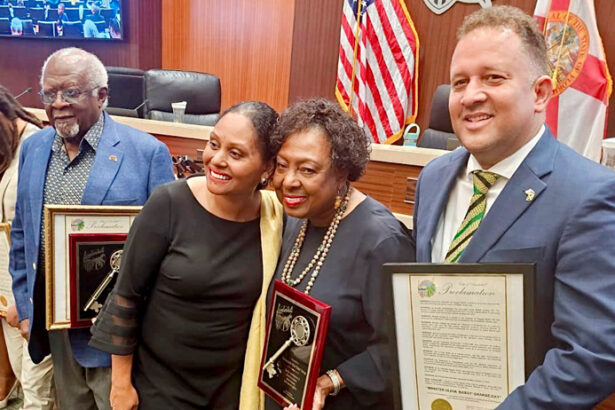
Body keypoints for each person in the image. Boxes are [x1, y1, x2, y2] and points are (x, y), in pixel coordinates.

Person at [413, 6, 615, 409]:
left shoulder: (590, 196)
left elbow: (590, 356)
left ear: (540, 93)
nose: (471, 96)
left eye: (493, 78)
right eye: (459, 82)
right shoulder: (432, 178)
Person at [9, 47, 174, 410]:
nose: (58, 104)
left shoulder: (148, 154)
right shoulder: (34, 148)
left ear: (102, 95)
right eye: (49, 94)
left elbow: (168, 251)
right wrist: (26, 307)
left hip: (119, 340)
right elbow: (22, 233)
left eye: (71, 92)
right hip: (58, 332)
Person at [90, 101, 283, 410]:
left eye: (235, 153)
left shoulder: (275, 219)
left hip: (232, 389)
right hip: (160, 387)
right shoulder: (169, 203)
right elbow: (126, 295)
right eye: (214, 144)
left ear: (267, 167)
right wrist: (120, 385)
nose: (216, 160)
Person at [266, 99, 414, 410]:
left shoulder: (383, 241)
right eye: (282, 165)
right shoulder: (297, 217)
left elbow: (403, 348)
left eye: (307, 169)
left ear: (342, 173)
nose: (289, 181)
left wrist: (327, 383)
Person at [0, 86, 57, 409]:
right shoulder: (8, 148)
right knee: (28, 384)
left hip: (31, 295)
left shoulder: (36, 148)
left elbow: (39, 233)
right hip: (7, 290)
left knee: (38, 391)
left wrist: (25, 299)